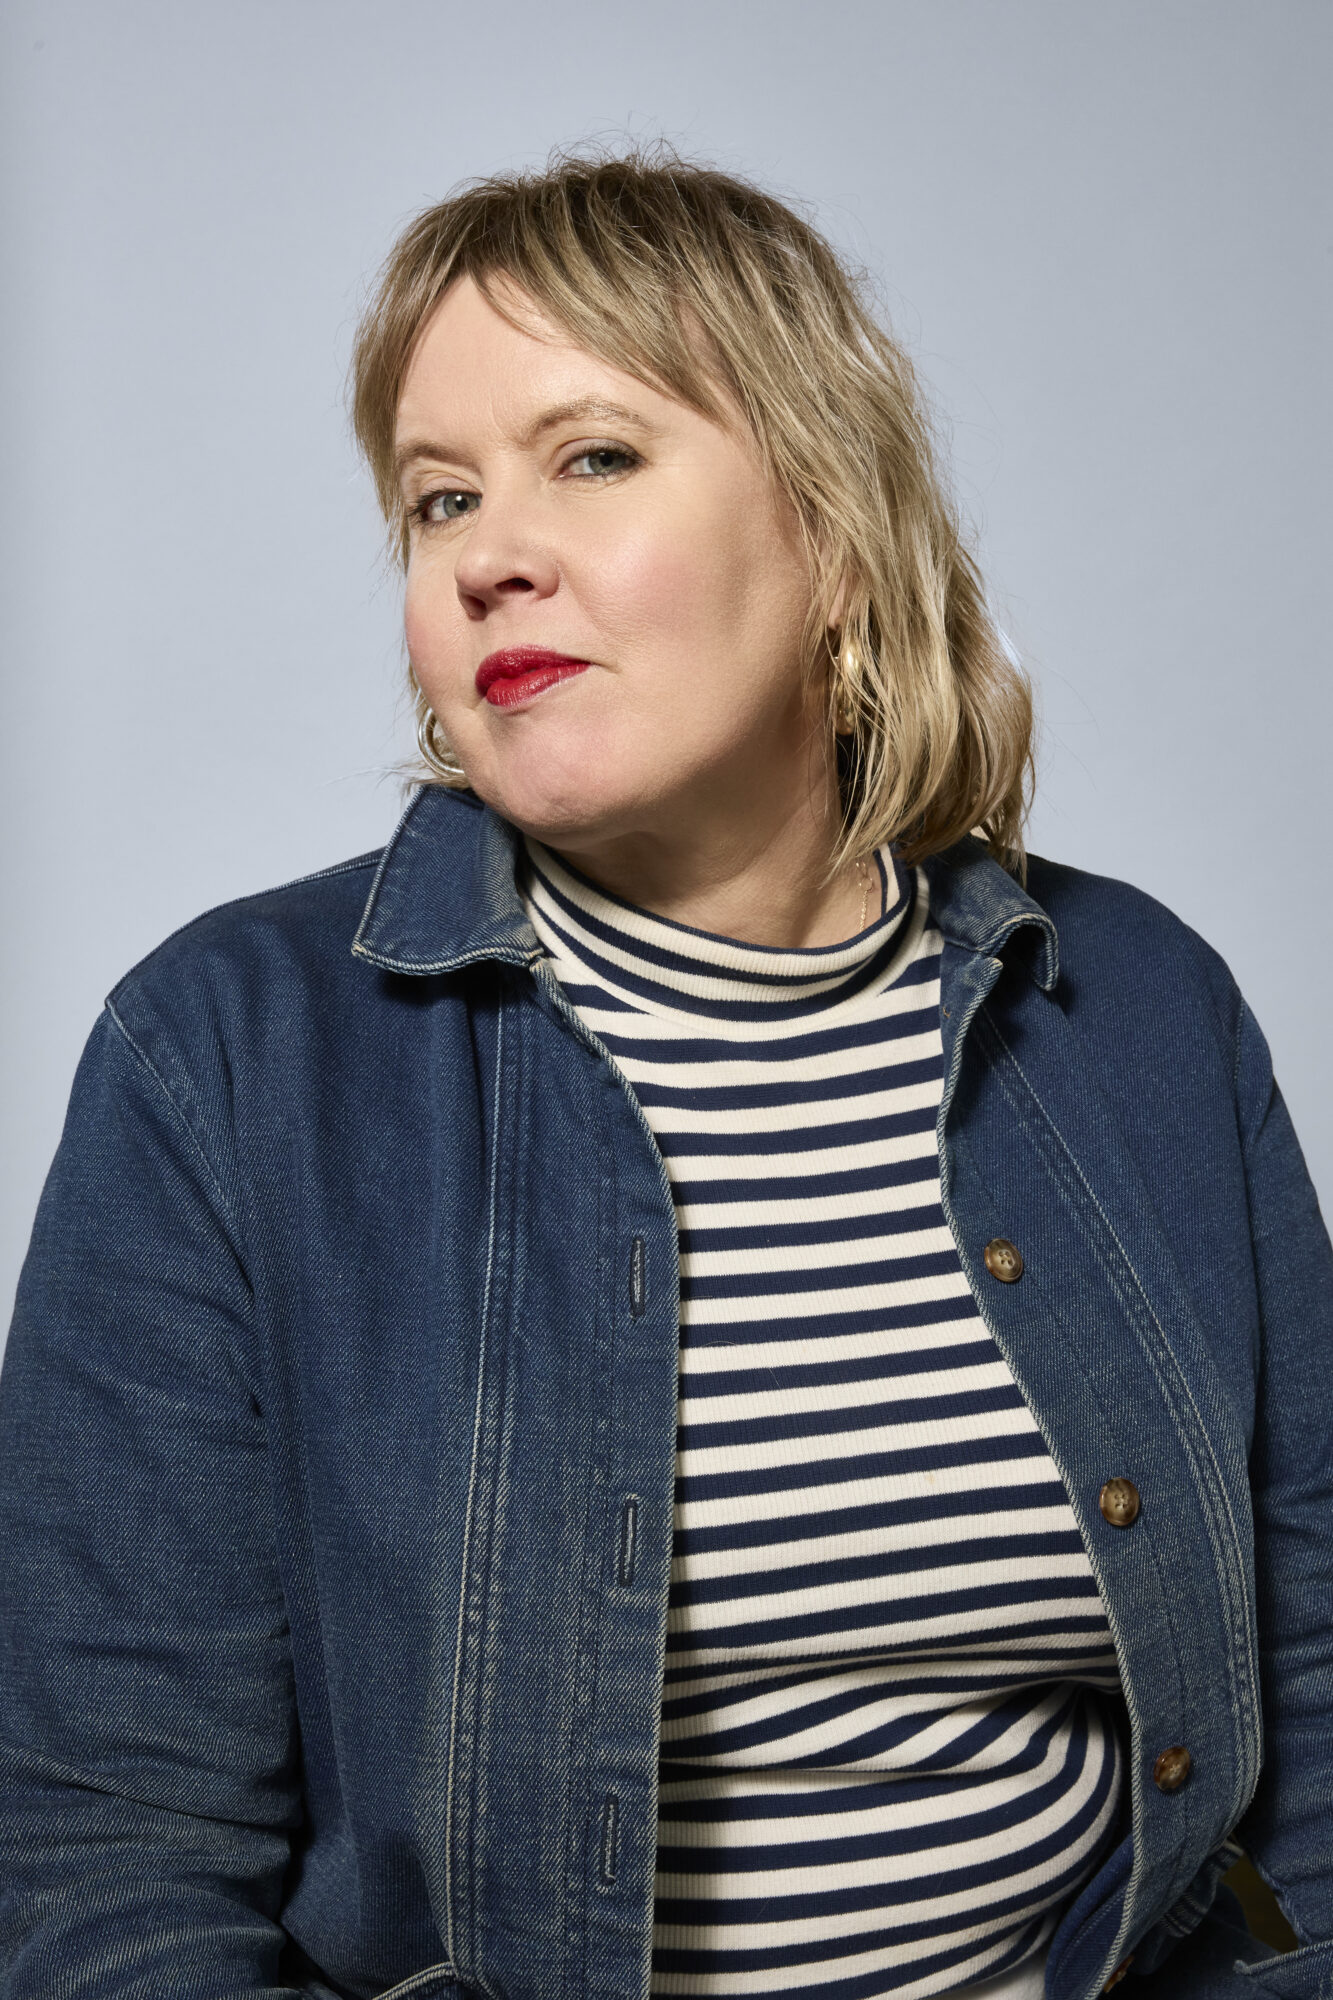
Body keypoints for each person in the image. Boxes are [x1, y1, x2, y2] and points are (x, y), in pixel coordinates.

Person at [0, 148, 1329, 2000]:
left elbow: (1311, 1686)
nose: (486, 550)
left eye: (592, 456)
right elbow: (100, 1858)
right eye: (434, 497)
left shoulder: (1140, 1012)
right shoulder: (222, 1060)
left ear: (837, 534)